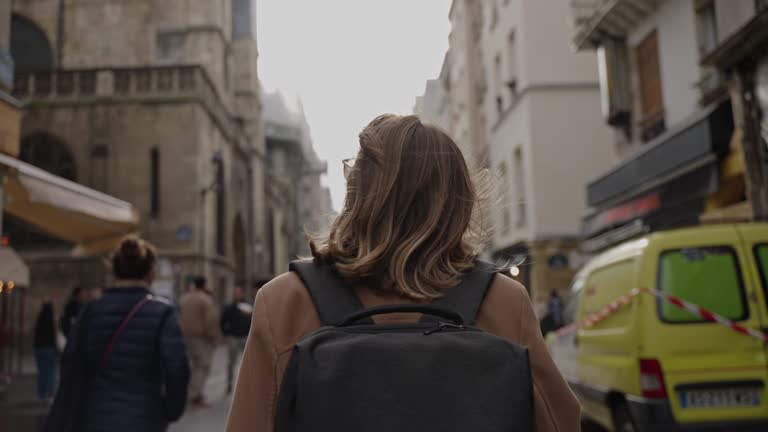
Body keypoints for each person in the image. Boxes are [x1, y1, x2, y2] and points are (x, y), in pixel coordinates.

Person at [226, 115, 580, 432]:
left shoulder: (285, 299)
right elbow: (559, 420)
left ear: (358, 194)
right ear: (456, 200)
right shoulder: (501, 299)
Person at [48, 236, 190, 432]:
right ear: (150, 273)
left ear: (114, 272)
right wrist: (170, 410)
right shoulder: (163, 313)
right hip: (144, 418)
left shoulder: (91, 311)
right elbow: (178, 368)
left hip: (95, 417)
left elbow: (71, 362)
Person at [180, 276, 221, 407]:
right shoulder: (205, 300)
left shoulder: (184, 298)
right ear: (204, 285)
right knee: (202, 366)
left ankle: (192, 393)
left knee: (193, 366)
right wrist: (214, 337)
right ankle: (195, 396)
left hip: (185, 337)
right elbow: (211, 320)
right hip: (201, 338)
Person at [220, 285, 252, 394]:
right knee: (231, 363)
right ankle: (229, 384)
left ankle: (248, 385)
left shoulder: (248, 305)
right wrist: (226, 334)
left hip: (245, 337)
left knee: (248, 363)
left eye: (239, 292)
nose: (237, 294)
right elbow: (223, 321)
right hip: (233, 337)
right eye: (235, 293)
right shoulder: (230, 307)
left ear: (242, 293)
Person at [33, 297, 58, 400]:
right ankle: (50, 392)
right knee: (50, 371)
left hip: (38, 347)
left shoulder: (40, 317)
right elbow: (53, 335)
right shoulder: (50, 318)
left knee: (42, 371)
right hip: (49, 348)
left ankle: (41, 392)